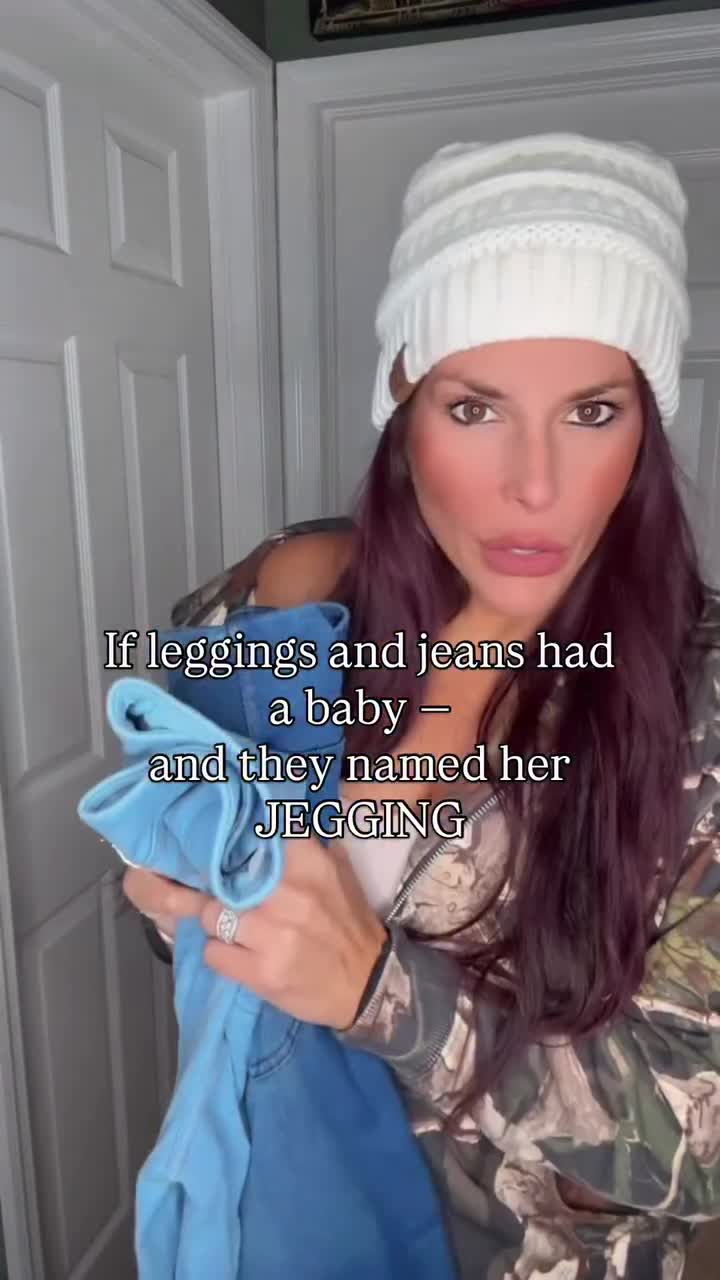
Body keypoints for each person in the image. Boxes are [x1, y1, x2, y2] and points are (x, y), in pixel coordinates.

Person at [125, 133, 720, 1278]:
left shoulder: (699, 698)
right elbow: (180, 889)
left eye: (592, 412)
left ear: (646, 426)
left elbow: (697, 1145)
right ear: (403, 406)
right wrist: (186, 893)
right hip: (277, 1228)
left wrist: (379, 990)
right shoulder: (289, 599)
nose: (535, 484)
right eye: (476, 408)